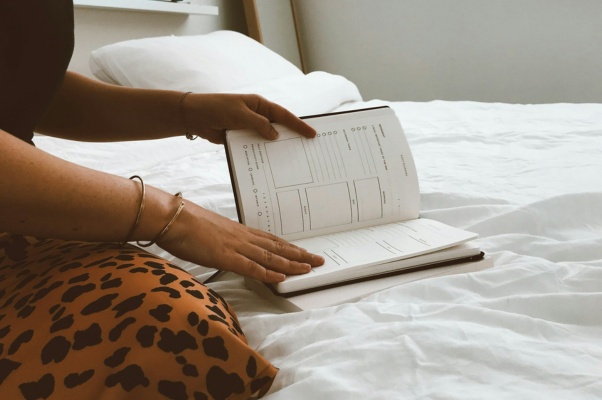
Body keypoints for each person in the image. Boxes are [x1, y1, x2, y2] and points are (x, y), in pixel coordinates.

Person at [0, 1, 324, 399]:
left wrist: (186, 110)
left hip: (22, 215)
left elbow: (27, 88)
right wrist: (167, 215)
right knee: (171, 334)